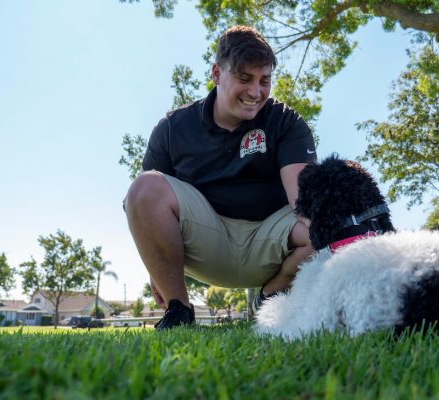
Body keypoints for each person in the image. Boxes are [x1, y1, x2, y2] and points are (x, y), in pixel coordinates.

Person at [124, 25, 317, 330]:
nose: (256, 92)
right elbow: (145, 207)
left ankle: (272, 293)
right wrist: (155, 269)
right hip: (207, 243)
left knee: (326, 225)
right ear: (216, 74)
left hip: (271, 242)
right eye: (244, 79)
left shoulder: (286, 122)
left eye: (264, 81)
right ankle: (179, 310)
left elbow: (304, 200)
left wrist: (330, 239)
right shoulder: (173, 128)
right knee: (143, 187)